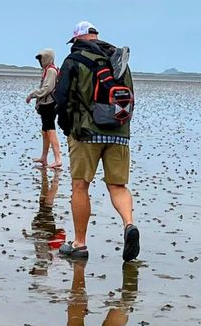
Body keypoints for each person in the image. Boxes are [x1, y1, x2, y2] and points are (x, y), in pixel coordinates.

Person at [54, 21, 139, 262]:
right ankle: (129, 224)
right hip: (119, 132)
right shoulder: (119, 59)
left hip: (85, 133)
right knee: (118, 186)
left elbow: (62, 97)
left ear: (77, 39)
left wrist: (66, 126)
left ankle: (79, 244)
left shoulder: (75, 60)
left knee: (80, 186)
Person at [27, 49, 62, 168]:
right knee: (45, 131)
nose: (40, 61)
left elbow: (47, 88)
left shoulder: (51, 71)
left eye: (41, 59)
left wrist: (33, 94)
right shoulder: (47, 70)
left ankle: (58, 159)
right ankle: (44, 157)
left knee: (50, 130)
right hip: (46, 103)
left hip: (50, 104)